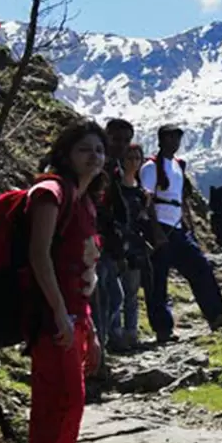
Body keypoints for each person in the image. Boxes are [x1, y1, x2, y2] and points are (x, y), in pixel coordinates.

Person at [19, 120, 105, 443]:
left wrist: (91, 330)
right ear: (67, 153)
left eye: (99, 150)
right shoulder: (51, 193)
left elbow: (84, 266)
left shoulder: (86, 200)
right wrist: (58, 313)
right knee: (63, 402)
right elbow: (39, 256)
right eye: (85, 149)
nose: (95, 156)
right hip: (52, 316)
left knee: (64, 402)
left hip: (75, 315)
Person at [140, 124, 222, 343]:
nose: (175, 143)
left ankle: (216, 314)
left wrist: (189, 226)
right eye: (171, 138)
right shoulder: (150, 167)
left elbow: (181, 199)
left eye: (177, 139)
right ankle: (163, 329)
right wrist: (154, 230)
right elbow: (146, 199)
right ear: (161, 140)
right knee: (158, 280)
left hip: (177, 226)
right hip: (160, 226)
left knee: (200, 267)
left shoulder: (177, 165)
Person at [93, 118, 133, 360]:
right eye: (117, 139)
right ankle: (96, 358)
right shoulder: (98, 167)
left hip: (108, 245)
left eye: (126, 140)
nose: (121, 144)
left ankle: (101, 349)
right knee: (102, 300)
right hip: (94, 244)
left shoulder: (114, 168)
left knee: (112, 297)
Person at [109, 142, 153, 349]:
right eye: (130, 158)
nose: (134, 162)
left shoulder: (142, 193)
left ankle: (131, 333)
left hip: (135, 246)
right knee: (115, 291)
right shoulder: (114, 188)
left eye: (137, 158)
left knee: (132, 292)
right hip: (116, 245)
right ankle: (115, 334)